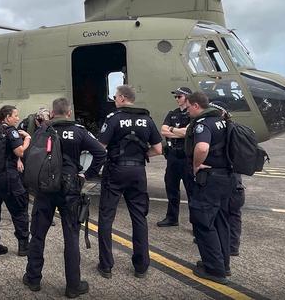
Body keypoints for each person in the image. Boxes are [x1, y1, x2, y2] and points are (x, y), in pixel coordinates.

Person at [23, 98, 106, 298]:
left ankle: (33, 279)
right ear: (69, 112)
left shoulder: (42, 130)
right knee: (71, 237)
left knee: (38, 234)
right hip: (70, 188)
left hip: (45, 187)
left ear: (52, 113)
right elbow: (101, 152)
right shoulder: (78, 131)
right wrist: (87, 174)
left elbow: (30, 156)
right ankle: (73, 286)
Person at [96, 85, 162, 279]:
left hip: (116, 170)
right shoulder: (147, 120)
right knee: (139, 217)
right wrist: (141, 156)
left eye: (115, 97)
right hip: (138, 171)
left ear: (123, 98)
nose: (114, 100)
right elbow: (158, 149)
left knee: (106, 217)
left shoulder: (113, 118)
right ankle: (141, 266)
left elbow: (101, 147)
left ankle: (106, 265)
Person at [184, 92, 235, 284]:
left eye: (188, 107)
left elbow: (202, 147)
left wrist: (197, 165)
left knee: (204, 223)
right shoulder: (223, 120)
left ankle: (214, 270)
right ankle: (224, 265)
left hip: (210, 179)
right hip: (226, 178)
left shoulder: (203, 124)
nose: (187, 110)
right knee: (221, 221)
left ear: (196, 105)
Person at [0, 105, 31, 258]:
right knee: (19, 210)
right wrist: (27, 138)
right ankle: (23, 246)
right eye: (15, 115)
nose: (17, 118)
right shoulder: (11, 131)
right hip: (7, 178)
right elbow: (20, 151)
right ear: (7, 117)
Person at [209, 100, 245, 257]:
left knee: (228, 212)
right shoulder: (235, 129)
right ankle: (229, 245)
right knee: (229, 213)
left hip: (227, 175)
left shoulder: (224, 130)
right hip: (234, 177)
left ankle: (230, 246)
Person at [157, 87, 193, 227]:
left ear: (187, 98)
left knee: (192, 192)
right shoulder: (172, 114)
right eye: (176, 97)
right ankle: (172, 217)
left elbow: (187, 133)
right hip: (173, 156)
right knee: (171, 188)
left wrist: (172, 130)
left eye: (180, 96)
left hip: (186, 157)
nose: (177, 99)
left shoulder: (192, 115)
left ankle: (196, 223)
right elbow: (163, 131)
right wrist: (175, 131)